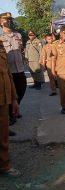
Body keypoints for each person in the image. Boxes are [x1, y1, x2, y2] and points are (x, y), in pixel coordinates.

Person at [0, 12, 27, 125]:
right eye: (6, 20)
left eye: (10, 19)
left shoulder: (18, 35)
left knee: (22, 89)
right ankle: (12, 115)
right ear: (1, 23)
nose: (9, 22)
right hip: (8, 71)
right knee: (10, 93)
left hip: (20, 68)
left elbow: (21, 50)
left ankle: (16, 107)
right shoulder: (0, 37)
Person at [0, 39, 21, 177]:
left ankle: (4, 165)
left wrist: (14, 99)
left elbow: (8, 74)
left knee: (3, 135)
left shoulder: (0, 44)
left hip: (3, 99)